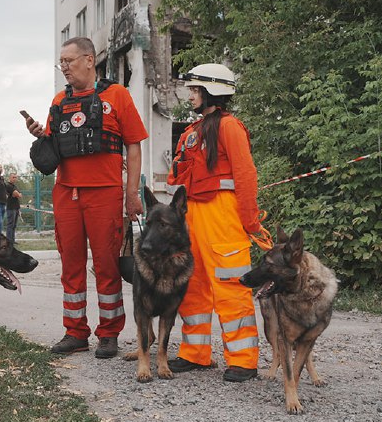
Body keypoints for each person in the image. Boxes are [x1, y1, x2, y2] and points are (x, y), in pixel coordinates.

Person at [25, 36, 148, 359]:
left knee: (107, 264)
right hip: (67, 194)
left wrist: (131, 193)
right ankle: (75, 331)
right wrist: (40, 136)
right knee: (71, 265)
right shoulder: (58, 102)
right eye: (61, 62)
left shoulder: (116, 96)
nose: (64, 67)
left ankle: (109, 334)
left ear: (90, 60)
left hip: (105, 193)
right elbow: (51, 153)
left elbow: (134, 145)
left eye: (69, 60)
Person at [166, 63, 263, 383]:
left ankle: (244, 359)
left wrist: (250, 221)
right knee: (192, 285)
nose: (190, 95)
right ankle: (195, 352)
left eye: (195, 90)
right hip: (192, 215)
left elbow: (246, 176)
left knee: (231, 285)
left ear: (213, 91)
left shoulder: (231, 127)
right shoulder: (193, 131)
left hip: (223, 215)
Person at [5, 172, 22, 244]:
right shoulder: (8, 185)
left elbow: (20, 195)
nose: (15, 179)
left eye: (16, 177)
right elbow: (16, 194)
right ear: (10, 178)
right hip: (11, 208)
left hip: (16, 207)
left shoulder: (15, 186)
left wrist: (17, 194)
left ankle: (12, 240)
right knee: (10, 225)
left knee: (14, 225)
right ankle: (9, 241)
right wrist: (17, 194)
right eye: (13, 177)